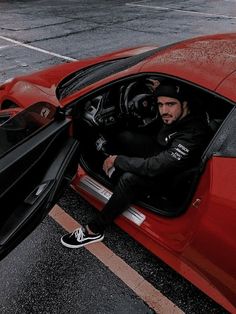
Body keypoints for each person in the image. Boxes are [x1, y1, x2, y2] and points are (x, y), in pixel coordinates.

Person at [61, 81, 210, 248]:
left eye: (170, 104)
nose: (164, 111)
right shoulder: (175, 116)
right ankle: (113, 176)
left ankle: (93, 230)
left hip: (172, 179)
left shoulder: (194, 133)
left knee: (129, 179)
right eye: (160, 104)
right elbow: (155, 135)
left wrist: (118, 160)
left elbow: (156, 167)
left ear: (185, 104)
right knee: (125, 136)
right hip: (162, 153)